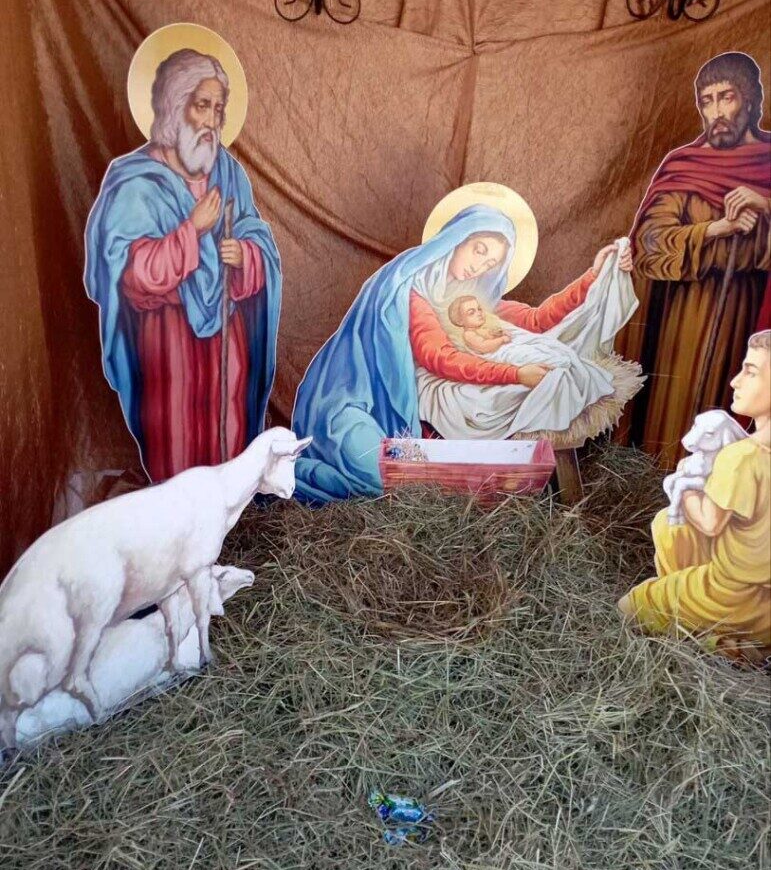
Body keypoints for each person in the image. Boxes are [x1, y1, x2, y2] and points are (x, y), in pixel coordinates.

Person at [292, 202, 634, 501]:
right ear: (456, 239)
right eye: (479, 250)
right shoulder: (413, 290)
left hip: (403, 409)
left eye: (491, 263)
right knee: (372, 471)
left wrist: (593, 275)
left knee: (409, 473)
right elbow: (439, 357)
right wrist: (516, 374)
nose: (480, 266)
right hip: (351, 399)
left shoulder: (469, 299)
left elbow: (536, 320)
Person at [85, 48, 282, 481]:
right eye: (201, 105)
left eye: (218, 109)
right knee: (175, 432)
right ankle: (176, 518)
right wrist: (192, 231)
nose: (212, 121)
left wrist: (245, 255)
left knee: (228, 429)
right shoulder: (135, 182)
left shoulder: (228, 173)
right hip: (168, 336)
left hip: (227, 332)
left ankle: (227, 512)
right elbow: (134, 275)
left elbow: (256, 237)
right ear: (175, 106)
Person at [619, 52, 771, 468]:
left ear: (750, 100)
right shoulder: (684, 165)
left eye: (727, 98)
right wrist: (715, 229)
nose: (716, 112)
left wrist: (765, 203)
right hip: (680, 314)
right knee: (675, 412)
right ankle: (667, 478)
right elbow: (649, 241)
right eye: (707, 101)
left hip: (748, 311)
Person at [619, 330, 771, 652]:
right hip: (764, 592)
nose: (735, 381)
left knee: (628, 608)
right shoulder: (750, 449)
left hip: (732, 592)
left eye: (750, 371)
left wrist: (683, 484)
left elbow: (711, 523)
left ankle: (718, 636)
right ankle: (714, 627)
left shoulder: (741, 457)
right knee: (668, 525)